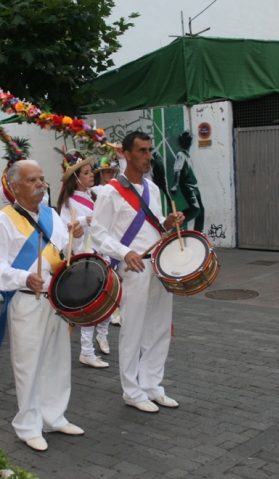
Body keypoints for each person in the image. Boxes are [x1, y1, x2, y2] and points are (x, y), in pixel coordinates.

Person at [0, 159, 85, 452]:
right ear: (15, 186)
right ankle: (28, 426)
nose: (40, 184)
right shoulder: (2, 220)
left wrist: (78, 236)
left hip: (57, 300)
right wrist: (24, 278)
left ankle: (54, 417)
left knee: (57, 360)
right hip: (27, 301)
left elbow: (67, 254)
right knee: (28, 365)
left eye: (41, 178)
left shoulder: (52, 215)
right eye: (32, 180)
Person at [91, 131, 185, 413]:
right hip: (133, 268)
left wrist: (168, 222)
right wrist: (124, 252)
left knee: (159, 328)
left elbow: (154, 225)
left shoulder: (152, 189)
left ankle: (152, 386)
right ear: (127, 154)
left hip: (159, 264)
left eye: (149, 151)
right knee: (133, 330)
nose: (148, 156)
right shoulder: (110, 192)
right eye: (142, 151)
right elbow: (98, 233)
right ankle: (132, 391)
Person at [56, 150, 111, 369]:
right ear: (76, 178)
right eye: (86, 173)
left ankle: (102, 336)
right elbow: (64, 230)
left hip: (102, 252)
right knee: (90, 303)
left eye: (91, 172)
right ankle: (86, 351)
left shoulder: (95, 193)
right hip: (85, 257)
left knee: (107, 299)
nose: (91, 175)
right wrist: (84, 220)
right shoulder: (68, 203)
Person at [91, 155, 121, 326]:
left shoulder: (116, 190)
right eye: (107, 171)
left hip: (115, 234)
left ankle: (114, 312)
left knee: (115, 276)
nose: (110, 173)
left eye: (112, 171)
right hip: (100, 238)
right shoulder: (96, 191)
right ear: (101, 173)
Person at [170, 131, 204, 232]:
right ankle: (179, 221)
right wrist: (175, 185)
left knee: (201, 210)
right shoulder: (181, 154)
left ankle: (198, 232)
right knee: (196, 209)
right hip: (187, 185)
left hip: (194, 185)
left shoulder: (187, 155)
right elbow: (177, 170)